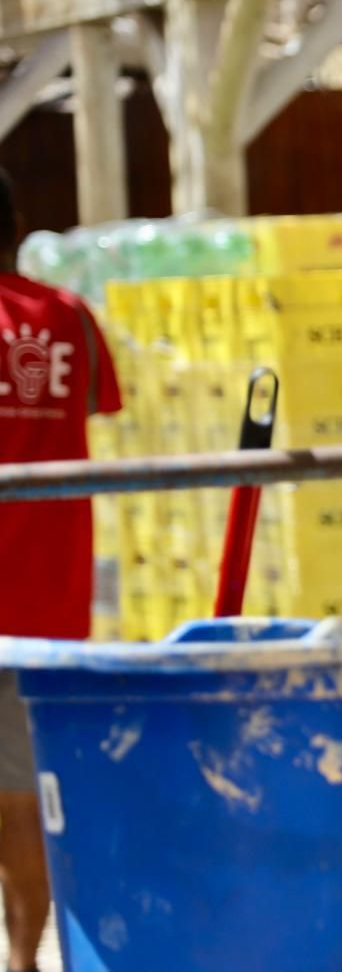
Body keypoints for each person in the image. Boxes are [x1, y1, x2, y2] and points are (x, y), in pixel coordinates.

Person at [0, 167, 122, 972]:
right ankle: (22, 959)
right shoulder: (70, 319)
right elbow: (102, 410)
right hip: (46, 602)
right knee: (23, 797)